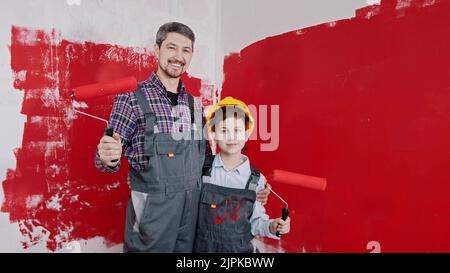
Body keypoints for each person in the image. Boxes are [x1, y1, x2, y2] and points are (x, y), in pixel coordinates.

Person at [95, 22, 269, 253]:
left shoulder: (195, 106)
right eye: (171, 48)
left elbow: (207, 163)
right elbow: (104, 162)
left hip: (193, 216)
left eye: (185, 50)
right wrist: (109, 157)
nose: (178, 56)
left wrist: (247, 189)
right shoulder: (131, 99)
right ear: (157, 50)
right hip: (152, 218)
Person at [193, 97, 290, 253]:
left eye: (237, 130)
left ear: (246, 135)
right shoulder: (203, 169)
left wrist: (272, 226)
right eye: (224, 130)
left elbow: (257, 222)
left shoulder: (256, 180)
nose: (231, 136)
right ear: (214, 135)